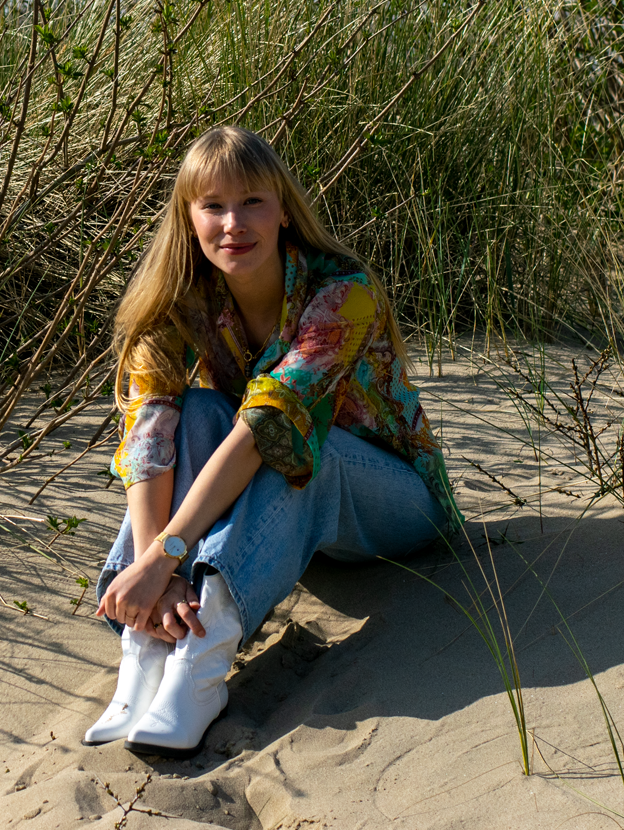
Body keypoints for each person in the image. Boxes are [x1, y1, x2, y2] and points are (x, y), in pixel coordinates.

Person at [83, 125, 461, 758]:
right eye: (214, 205)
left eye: (253, 201)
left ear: (284, 210)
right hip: (288, 510)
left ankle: (203, 660)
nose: (235, 222)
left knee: (301, 443)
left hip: (392, 504)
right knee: (196, 410)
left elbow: (268, 425)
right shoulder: (178, 303)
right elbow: (148, 430)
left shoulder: (344, 292)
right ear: (189, 219)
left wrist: (167, 555)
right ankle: (147, 644)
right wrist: (156, 567)